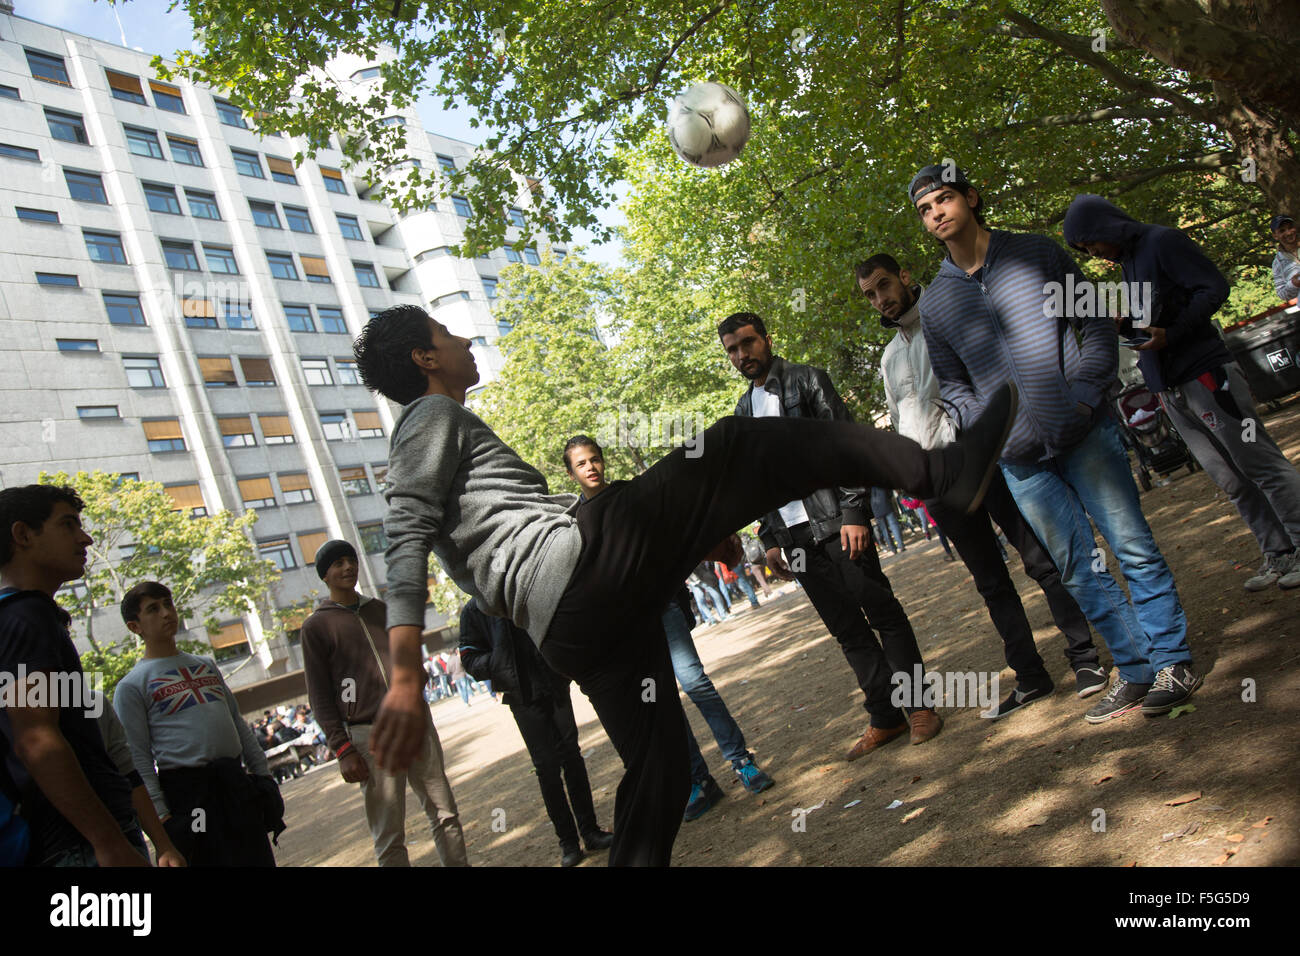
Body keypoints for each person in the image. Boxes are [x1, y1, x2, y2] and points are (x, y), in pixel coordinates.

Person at [351, 305, 1015, 866]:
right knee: (731, 443)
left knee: (661, 772)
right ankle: (938, 471)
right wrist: (407, 680)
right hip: (584, 568)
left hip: (573, 629)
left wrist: (695, 532)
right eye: (447, 334)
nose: (465, 341)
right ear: (424, 358)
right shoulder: (427, 421)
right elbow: (404, 535)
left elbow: (515, 525)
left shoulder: (450, 431)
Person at [912, 163, 1200, 720]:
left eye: (944, 199)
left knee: (1131, 544)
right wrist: (990, 432)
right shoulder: (936, 304)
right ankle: (1137, 667)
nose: (937, 214)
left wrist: (1087, 396)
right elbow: (952, 386)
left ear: (972, 198)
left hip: (1084, 431)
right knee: (1075, 568)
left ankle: (1174, 659)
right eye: (925, 210)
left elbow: (1094, 325)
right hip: (1019, 462)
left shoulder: (1038, 254)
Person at [858, 251, 1109, 711]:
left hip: (989, 458)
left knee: (1041, 560)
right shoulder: (889, 356)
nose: (880, 299)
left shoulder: (948, 315)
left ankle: (1085, 657)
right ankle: (1031, 675)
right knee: (990, 582)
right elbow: (900, 420)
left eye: (884, 285)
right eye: (870, 295)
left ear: (905, 276)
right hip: (936, 480)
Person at [720, 312, 945, 756]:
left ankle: (920, 707)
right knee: (847, 630)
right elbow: (757, 480)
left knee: (881, 612)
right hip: (794, 537)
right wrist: (769, 540)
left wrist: (855, 510)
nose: (742, 355)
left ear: (766, 340)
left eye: (747, 343)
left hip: (836, 522)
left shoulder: (807, 380)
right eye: (732, 349)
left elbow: (847, 446)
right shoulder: (743, 411)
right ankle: (885, 716)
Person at [1065, 194, 1300, 593]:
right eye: (1085, 250)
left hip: (1207, 375)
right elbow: (1154, 322)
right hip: (1169, 388)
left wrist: (1173, 334)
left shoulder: (1163, 241)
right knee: (1231, 478)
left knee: (1259, 462)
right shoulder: (1128, 264)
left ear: (1105, 227)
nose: (1093, 253)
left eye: (1090, 244)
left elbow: (1213, 288)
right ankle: (1277, 552)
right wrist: (1126, 326)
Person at [562, 434, 775, 821]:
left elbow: (674, 531)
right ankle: (698, 780)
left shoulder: (632, 494)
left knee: (695, 683)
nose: (590, 467)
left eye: (594, 459)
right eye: (581, 463)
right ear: (571, 472)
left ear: (603, 461)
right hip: (629, 626)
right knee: (663, 703)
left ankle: (741, 761)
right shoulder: (575, 522)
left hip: (663, 608)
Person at [0, 484, 148, 867]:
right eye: (68, 525)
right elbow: (36, 739)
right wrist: (108, 842)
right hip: (77, 844)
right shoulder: (25, 617)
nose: (86, 537)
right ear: (23, 534)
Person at [300, 539, 468, 867]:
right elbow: (319, 695)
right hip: (369, 735)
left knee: (445, 813)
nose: (348, 567)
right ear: (325, 575)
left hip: (415, 722)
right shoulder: (315, 627)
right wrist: (342, 748)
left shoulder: (381, 610)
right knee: (389, 833)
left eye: (351, 560)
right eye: (338, 564)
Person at [114, 581, 282, 866]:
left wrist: (262, 775)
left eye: (168, 604)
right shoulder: (132, 686)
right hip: (189, 795)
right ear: (135, 626)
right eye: (153, 609)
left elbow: (236, 723)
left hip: (235, 784)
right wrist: (162, 816)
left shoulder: (205, 665)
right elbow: (138, 757)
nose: (166, 613)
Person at [458, 600, 614, 866]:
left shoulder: (520, 584)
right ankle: (568, 843)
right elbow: (470, 658)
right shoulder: (474, 610)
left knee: (572, 758)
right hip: (521, 696)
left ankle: (590, 831)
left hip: (554, 682)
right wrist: (498, 662)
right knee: (547, 769)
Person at [1270, 214, 1300, 302]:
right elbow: (1281, 294)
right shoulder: (1277, 263)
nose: (1289, 233)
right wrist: (1293, 284)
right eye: (1282, 230)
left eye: (1290, 228)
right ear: (1275, 236)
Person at [870, 487, 907, 555]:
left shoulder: (866, 485)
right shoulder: (880, 479)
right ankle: (901, 545)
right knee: (894, 526)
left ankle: (893, 549)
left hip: (876, 510)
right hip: (886, 505)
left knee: (885, 530)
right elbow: (889, 493)